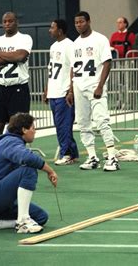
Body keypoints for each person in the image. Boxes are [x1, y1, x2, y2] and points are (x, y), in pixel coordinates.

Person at [0, 113, 58, 233]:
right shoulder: (10, 142)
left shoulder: (11, 142)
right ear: (24, 130)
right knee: (28, 170)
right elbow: (28, 158)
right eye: (33, 128)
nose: (35, 131)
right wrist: (50, 171)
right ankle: (23, 221)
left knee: (40, 217)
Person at [69, 11, 119, 171]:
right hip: (79, 86)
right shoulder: (75, 44)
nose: (78, 25)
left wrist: (100, 85)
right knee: (83, 123)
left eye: (81, 22)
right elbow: (73, 68)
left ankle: (112, 157)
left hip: (94, 86)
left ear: (89, 22)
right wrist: (70, 90)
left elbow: (107, 63)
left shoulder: (100, 39)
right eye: (76, 22)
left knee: (101, 120)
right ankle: (92, 157)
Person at [0, 12, 33, 155]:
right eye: (4, 21)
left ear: (16, 22)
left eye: (10, 21)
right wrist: (11, 58)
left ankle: (16, 156)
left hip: (18, 88)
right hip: (0, 88)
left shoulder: (24, 38)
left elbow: (21, 55)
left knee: (17, 126)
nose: (7, 24)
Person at [43, 19, 79, 166]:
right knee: (59, 125)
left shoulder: (70, 46)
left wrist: (70, 90)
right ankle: (73, 152)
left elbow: (73, 68)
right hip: (54, 90)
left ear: (60, 30)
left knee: (64, 125)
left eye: (52, 27)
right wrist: (47, 89)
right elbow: (51, 69)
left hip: (63, 92)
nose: (50, 30)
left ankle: (67, 154)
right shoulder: (53, 47)